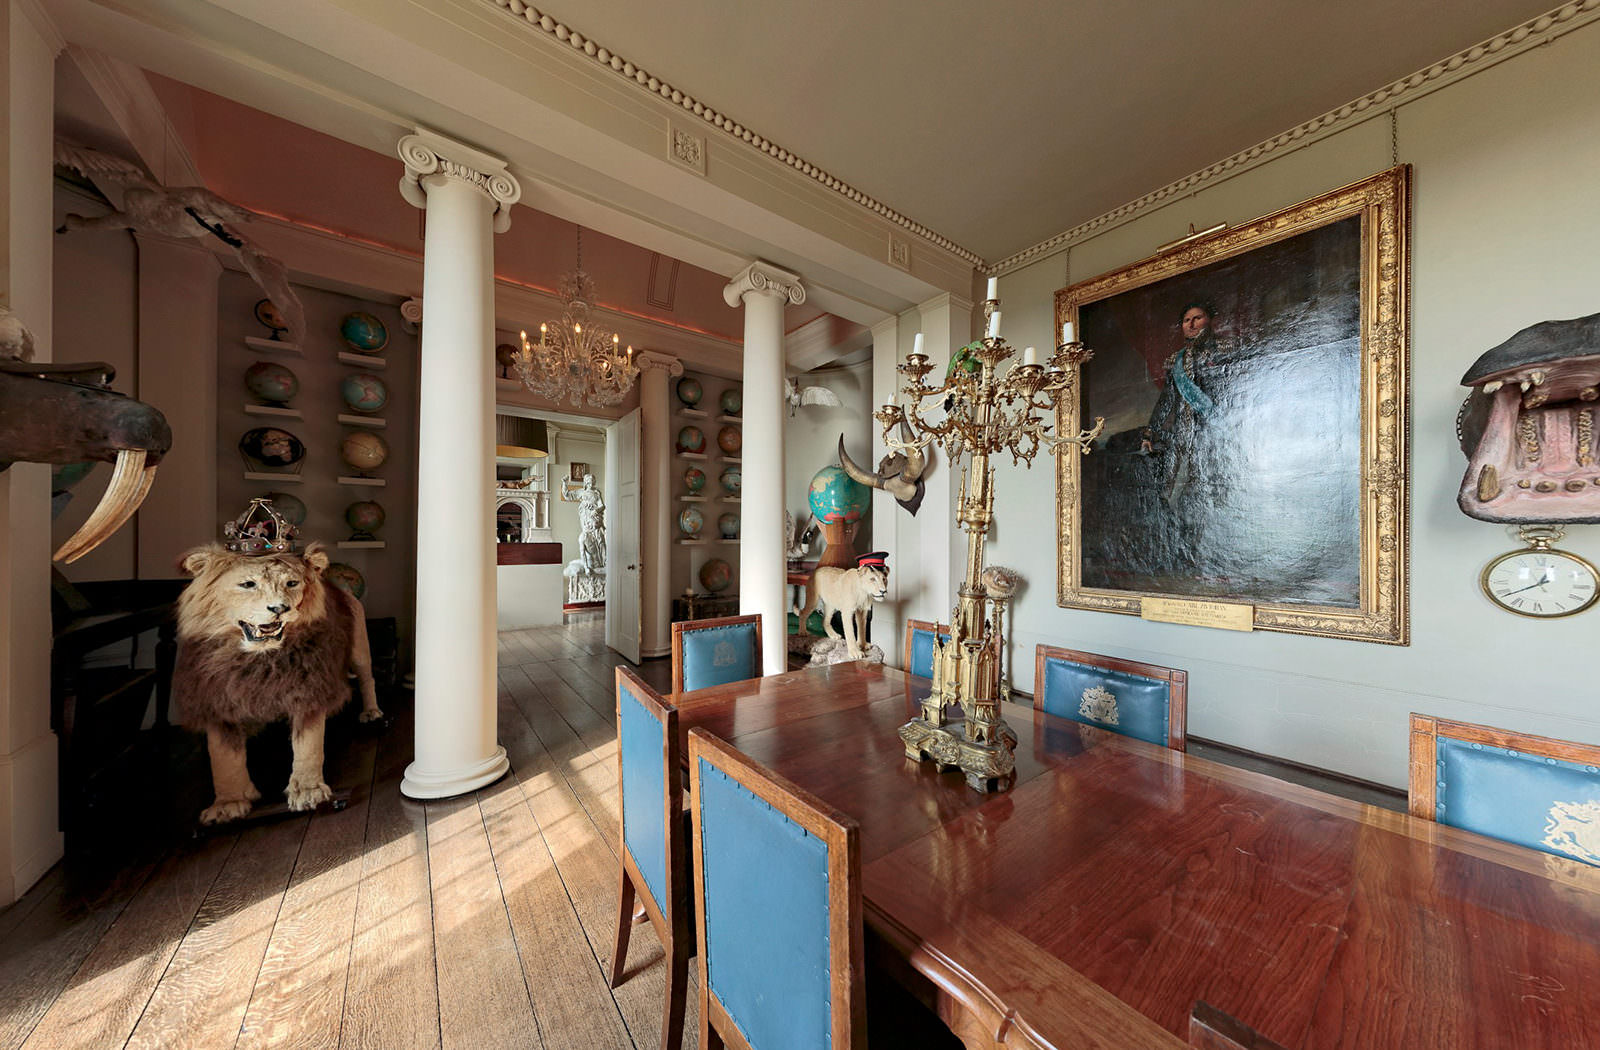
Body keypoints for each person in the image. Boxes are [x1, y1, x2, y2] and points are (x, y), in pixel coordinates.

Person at [1140, 301, 1222, 503]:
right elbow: (1167, 400)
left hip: (1213, 431)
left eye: (1197, 318)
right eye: (1186, 320)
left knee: (1211, 486)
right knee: (1172, 490)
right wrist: (1150, 432)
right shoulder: (1176, 360)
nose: (1191, 324)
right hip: (1182, 433)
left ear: (1209, 320)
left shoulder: (1223, 349)